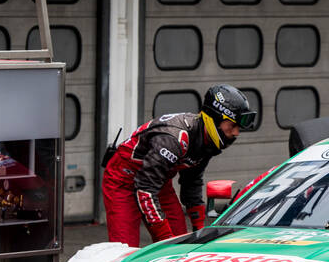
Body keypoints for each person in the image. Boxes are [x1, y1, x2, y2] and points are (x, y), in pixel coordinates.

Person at [102, 84, 255, 247]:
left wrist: (199, 228)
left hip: (159, 182)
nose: (236, 133)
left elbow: (192, 181)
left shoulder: (207, 140)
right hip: (123, 181)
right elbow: (145, 189)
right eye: (232, 125)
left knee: (181, 241)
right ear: (215, 118)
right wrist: (165, 241)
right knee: (126, 249)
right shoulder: (175, 138)